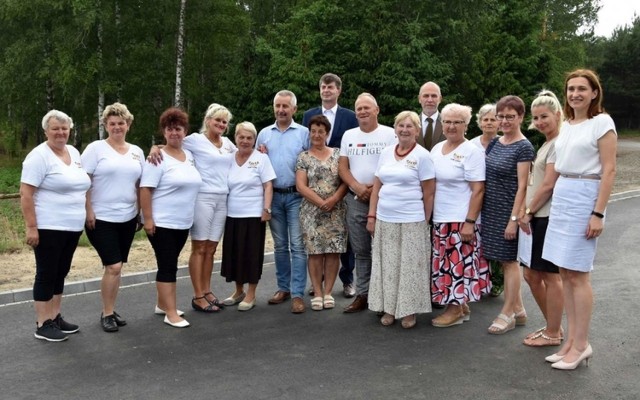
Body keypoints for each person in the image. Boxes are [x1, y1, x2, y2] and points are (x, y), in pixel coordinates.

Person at [542, 69, 616, 370]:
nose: (575, 94)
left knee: (579, 274)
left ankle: (582, 344)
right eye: (571, 89)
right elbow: (558, 167)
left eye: (582, 89)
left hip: (586, 194)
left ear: (594, 93)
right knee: (564, 271)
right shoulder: (568, 125)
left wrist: (597, 213)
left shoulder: (602, 122)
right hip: (563, 195)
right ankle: (570, 342)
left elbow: (609, 170)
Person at [148, 103, 236, 312]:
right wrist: (154, 148)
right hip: (202, 198)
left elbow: (243, 153)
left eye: (224, 121)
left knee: (212, 249)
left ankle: (206, 290)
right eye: (217, 120)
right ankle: (197, 296)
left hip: (222, 199)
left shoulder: (228, 144)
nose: (221, 124)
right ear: (208, 120)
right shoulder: (195, 140)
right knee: (200, 248)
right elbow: (171, 142)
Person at [20, 110, 91, 341]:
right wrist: (32, 227)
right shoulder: (38, 156)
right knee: (46, 273)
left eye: (64, 128)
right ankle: (43, 323)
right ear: (46, 131)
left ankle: (55, 315)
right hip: (49, 226)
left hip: (72, 226)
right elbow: (26, 193)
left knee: (61, 271)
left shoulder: (73, 152)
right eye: (55, 129)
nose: (60, 133)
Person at [367, 111, 435, 329]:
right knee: (387, 265)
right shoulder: (386, 153)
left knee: (410, 268)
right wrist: (372, 215)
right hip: (385, 219)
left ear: (417, 130)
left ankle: (408, 311)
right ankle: (388, 308)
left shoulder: (423, 156)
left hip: (412, 220)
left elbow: (429, 193)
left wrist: (423, 222)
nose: (404, 130)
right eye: (400, 125)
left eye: (409, 126)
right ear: (395, 129)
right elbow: (377, 186)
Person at [82, 102, 144, 332]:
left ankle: (111, 308)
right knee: (114, 266)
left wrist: (140, 212)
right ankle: (106, 313)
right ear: (106, 125)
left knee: (117, 267)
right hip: (100, 217)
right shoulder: (95, 149)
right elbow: (84, 182)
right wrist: (88, 210)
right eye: (112, 124)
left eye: (121, 123)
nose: (117, 127)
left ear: (128, 125)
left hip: (128, 217)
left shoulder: (137, 151)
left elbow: (140, 184)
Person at [140, 108, 202, 328]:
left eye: (178, 129)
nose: (174, 133)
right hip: (162, 223)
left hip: (182, 222)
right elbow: (145, 189)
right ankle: (171, 313)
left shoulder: (190, 156)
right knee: (168, 266)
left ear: (185, 131)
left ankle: (161, 304)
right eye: (169, 129)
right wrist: (148, 220)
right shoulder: (156, 157)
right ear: (163, 132)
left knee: (170, 262)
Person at [430, 104, 490, 327]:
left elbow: (478, 190)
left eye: (457, 122)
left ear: (465, 125)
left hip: (460, 219)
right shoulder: (436, 149)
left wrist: (469, 222)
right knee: (444, 264)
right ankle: (461, 305)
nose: (451, 126)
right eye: (447, 121)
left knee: (456, 265)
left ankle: (454, 310)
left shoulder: (472, 152)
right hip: (441, 218)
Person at [302, 73, 358, 298]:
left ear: (338, 91)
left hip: (343, 184)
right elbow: (303, 143)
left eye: (331, 87)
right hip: (316, 185)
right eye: (323, 87)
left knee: (344, 238)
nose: (326, 90)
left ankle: (347, 280)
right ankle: (319, 284)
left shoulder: (350, 116)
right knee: (317, 240)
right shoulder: (308, 115)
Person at [481, 95, 535, 335]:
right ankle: (520, 310)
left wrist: (514, 220)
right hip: (490, 209)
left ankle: (508, 313)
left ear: (521, 118)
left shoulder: (524, 147)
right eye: (500, 116)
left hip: (508, 211)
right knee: (503, 262)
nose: (504, 121)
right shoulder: (494, 143)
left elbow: (523, 187)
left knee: (510, 263)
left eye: (509, 117)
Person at [339, 93, 396, 313]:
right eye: (359, 108)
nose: (362, 111)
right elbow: (343, 167)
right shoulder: (348, 135)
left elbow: (393, 163)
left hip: (384, 200)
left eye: (366, 108)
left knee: (384, 249)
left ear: (377, 110)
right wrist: (358, 187)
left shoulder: (390, 134)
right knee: (361, 250)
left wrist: (373, 189)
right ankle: (363, 295)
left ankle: (383, 296)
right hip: (356, 199)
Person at [517, 90, 564, 347]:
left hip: (546, 217)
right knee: (532, 276)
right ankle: (552, 327)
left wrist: (528, 211)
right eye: (535, 118)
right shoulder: (546, 143)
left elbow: (548, 184)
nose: (539, 121)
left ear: (557, 114)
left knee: (549, 276)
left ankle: (554, 332)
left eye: (544, 116)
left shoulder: (558, 143)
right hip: (537, 217)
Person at [256, 90, 310, 313]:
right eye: (277, 105)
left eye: (285, 106)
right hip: (274, 196)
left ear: (294, 109)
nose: (281, 110)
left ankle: (298, 293)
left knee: (298, 246)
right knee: (279, 246)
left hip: (297, 196)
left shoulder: (303, 133)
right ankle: (283, 288)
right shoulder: (264, 134)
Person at [220, 122, 276, 311]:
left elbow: (268, 185)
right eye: (241, 137)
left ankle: (251, 293)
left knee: (251, 254)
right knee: (234, 254)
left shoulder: (261, 158)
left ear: (254, 140)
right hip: (232, 214)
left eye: (249, 138)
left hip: (254, 215)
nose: (245, 141)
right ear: (235, 138)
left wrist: (266, 210)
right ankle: (238, 291)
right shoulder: (228, 158)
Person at [296, 115, 348, 310]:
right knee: (315, 253)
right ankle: (317, 292)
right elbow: (301, 186)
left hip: (336, 210)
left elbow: (345, 180)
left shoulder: (338, 154)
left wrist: (333, 200)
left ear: (327, 133)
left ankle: (328, 292)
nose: (317, 135)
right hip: (312, 212)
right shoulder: (304, 157)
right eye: (313, 131)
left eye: (321, 131)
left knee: (333, 252)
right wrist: (321, 202)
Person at [470, 103, 503, 297]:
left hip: (497, 198)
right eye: (486, 119)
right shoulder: (471, 144)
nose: (489, 123)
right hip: (476, 197)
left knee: (496, 241)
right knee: (479, 241)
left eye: (493, 119)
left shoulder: (505, 142)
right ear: (480, 122)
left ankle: (498, 281)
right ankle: (480, 280)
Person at [416, 81, 444, 151]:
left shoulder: (448, 124)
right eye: (426, 96)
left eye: (434, 96)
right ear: (419, 99)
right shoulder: (411, 124)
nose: (430, 100)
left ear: (440, 99)